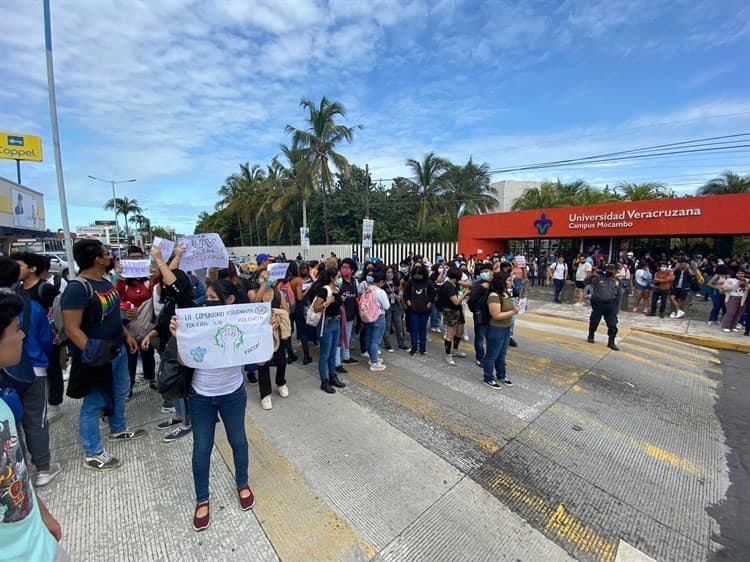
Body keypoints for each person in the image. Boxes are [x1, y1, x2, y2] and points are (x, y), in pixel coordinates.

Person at [169, 280, 255, 531]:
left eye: (210, 297)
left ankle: (242, 483)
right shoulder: (197, 323)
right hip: (201, 396)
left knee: (238, 441)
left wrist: (267, 332)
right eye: (205, 296)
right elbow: (184, 362)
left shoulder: (242, 323)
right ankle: (202, 498)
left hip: (232, 394)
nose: (205, 301)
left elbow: (260, 362)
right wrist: (179, 337)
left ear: (228, 300)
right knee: (202, 447)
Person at [61, 239, 146, 471]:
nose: (112, 257)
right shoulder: (77, 288)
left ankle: (118, 428)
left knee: (119, 390)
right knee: (94, 402)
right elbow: (71, 328)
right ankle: (92, 452)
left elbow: (112, 316)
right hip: (97, 355)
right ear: (97, 259)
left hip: (116, 349)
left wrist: (126, 335)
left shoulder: (105, 282)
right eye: (107, 253)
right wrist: (94, 352)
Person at [0, 290, 65, 561]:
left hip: (38, 544)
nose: (22, 336)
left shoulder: (4, 406)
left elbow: (15, 469)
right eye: (16, 330)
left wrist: (42, 514)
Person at [0, 257, 58, 489]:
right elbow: (46, 339)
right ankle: (42, 468)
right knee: (36, 420)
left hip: (8, 374)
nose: (20, 335)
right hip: (34, 370)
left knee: (10, 426)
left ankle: (18, 472)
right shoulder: (28, 306)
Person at [114, 246, 156, 398]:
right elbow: (114, 301)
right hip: (129, 325)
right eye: (133, 257)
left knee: (148, 352)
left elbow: (155, 296)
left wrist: (153, 276)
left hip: (146, 324)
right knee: (130, 357)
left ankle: (151, 378)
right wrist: (125, 312)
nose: (136, 260)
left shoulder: (147, 281)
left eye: (139, 257)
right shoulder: (121, 281)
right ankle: (129, 386)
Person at [310, 267, 347, 392]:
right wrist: (327, 302)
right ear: (332, 278)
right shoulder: (324, 290)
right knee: (324, 354)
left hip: (336, 323)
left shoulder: (337, 289)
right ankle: (324, 380)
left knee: (333, 352)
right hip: (326, 324)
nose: (340, 279)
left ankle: (332, 376)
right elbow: (316, 308)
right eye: (338, 276)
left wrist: (340, 300)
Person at [482, 271, 520, 388]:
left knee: (502, 354)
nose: (511, 282)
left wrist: (518, 307)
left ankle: (501, 375)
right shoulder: (494, 296)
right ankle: (488, 377)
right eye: (509, 280)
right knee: (492, 354)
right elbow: (496, 315)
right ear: (501, 281)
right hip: (496, 328)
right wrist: (513, 312)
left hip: (506, 328)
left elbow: (508, 309)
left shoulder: (505, 293)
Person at [585, 263, 621, 351]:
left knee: (613, 325)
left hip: (611, 305)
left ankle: (611, 342)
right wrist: (593, 274)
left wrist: (617, 308)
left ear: (615, 271)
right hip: (598, 304)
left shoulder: (617, 281)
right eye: (608, 269)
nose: (610, 271)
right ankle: (591, 334)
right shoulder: (598, 278)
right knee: (594, 321)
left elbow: (619, 295)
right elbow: (585, 281)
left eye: (612, 270)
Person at [440, 268, 471, 366]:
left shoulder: (455, 283)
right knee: (450, 333)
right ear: (455, 277)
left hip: (458, 309)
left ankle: (455, 350)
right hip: (450, 311)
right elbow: (456, 301)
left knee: (460, 331)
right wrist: (465, 294)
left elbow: (469, 284)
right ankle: (448, 355)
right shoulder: (448, 286)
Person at [362, 269, 390, 371]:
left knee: (369, 339)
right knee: (375, 341)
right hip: (378, 317)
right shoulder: (380, 292)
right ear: (381, 281)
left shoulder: (367, 289)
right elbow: (386, 306)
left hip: (368, 317)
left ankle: (372, 358)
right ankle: (374, 363)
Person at [403, 264, 434, 356]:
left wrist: (429, 303)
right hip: (413, 310)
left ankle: (423, 348)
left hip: (425, 310)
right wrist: (409, 304)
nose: (417, 277)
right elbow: (406, 294)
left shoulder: (428, 282)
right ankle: (414, 347)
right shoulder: (411, 282)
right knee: (414, 328)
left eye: (419, 275)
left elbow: (433, 294)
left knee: (422, 328)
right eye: (415, 275)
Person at [468, 263, 492, 367]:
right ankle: (480, 357)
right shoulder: (477, 285)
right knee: (480, 338)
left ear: (492, 272)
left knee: (491, 338)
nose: (483, 274)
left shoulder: (495, 284)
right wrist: (475, 310)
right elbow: (471, 300)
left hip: (493, 316)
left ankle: (491, 357)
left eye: (486, 271)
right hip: (480, 315)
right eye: (482, 272)